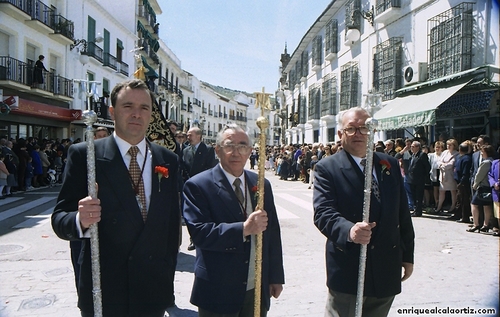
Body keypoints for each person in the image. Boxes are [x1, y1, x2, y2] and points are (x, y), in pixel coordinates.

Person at [51, 79, 180, 316]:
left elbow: (172, 229)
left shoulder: (167, 159)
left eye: (144, 108)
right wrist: (80, 220)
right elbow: (60, 219)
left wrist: (166, 278)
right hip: (105, 290)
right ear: (112, 112)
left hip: (151, 291)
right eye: (127, 106)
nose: (136, 114)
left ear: (152, 115)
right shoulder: (86, 155)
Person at [313, 107, 415, 317]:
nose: (358, 133)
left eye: (364, 128)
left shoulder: (390, 164)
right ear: (341, 134)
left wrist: (407, 255)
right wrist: (349, 231)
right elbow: (323, 213)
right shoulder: (327, 168)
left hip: (386, 267)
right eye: (351, 129)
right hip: (349, 267)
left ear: (372, 132)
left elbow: (402, 213)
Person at [183, 124, 285, 316]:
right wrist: (244, 229)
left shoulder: (261, 183)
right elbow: (200, 233)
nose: (236, 152)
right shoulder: (198, 185)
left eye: (243, 146)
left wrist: (275, 277)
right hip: (218, 290)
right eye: (230, 145)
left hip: (255, 289)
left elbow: (272, 233)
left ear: (250, 151)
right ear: (217, 150)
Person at [182, 126, 218, 251]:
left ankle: (203, 236)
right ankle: (193, 238)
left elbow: (210, 167)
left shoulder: (207, 150)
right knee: (189, 214)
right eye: (187, 135)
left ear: (198, 136)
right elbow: (184, 167)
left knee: (203, 213)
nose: (188, 137)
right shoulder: (185, 150)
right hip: (189, 186)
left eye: (190, 135)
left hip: (203, 186)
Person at [468, 145, 495, 233]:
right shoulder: (493, 161)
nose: (481, 153)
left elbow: (479, 175)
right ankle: (486, 225)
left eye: (482, 151)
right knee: (486, 206)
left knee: (474, 204)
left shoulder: (485, 163)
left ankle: (476, 224)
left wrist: (475, 185)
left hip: (482, 186)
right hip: (489, 187)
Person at [406, 141, 431, 217]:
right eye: (411, 147)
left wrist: (423, 175)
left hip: (419, 179)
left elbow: (427, 167)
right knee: (413, 196)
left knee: (418, 196)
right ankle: (415, 209)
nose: (411, 148)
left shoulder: (422, 155)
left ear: (418, 147)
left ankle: (418, 211)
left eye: (413, 147)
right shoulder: (413, 155)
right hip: (412, 179)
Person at [435, 139, 459, 212]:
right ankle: (439, 206)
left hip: (450, 175)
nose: (448, 146)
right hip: (442, 175)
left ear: (454, 146)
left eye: (450, 145)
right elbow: (438, 162)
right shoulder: (445, 152)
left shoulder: (456, 154)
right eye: (447, 144)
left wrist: (443, 165)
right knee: (441, 191)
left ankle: (453, 206)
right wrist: (442, 165)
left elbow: (450, 165)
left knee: (453, 191)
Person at [453, 142, 472, 222]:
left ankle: (465, 217)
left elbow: (465, 172)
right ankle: (457, 214)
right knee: (459, 199)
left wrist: (462, 182)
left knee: (464, 200)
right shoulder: (459, 157)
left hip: (463, 182)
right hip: (458, 181)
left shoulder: (466, 159)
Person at [488, 158, 500, 236]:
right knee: (498, 213)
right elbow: (490, 174)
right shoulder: (495, 162)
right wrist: (493, 183)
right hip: (496, 192)